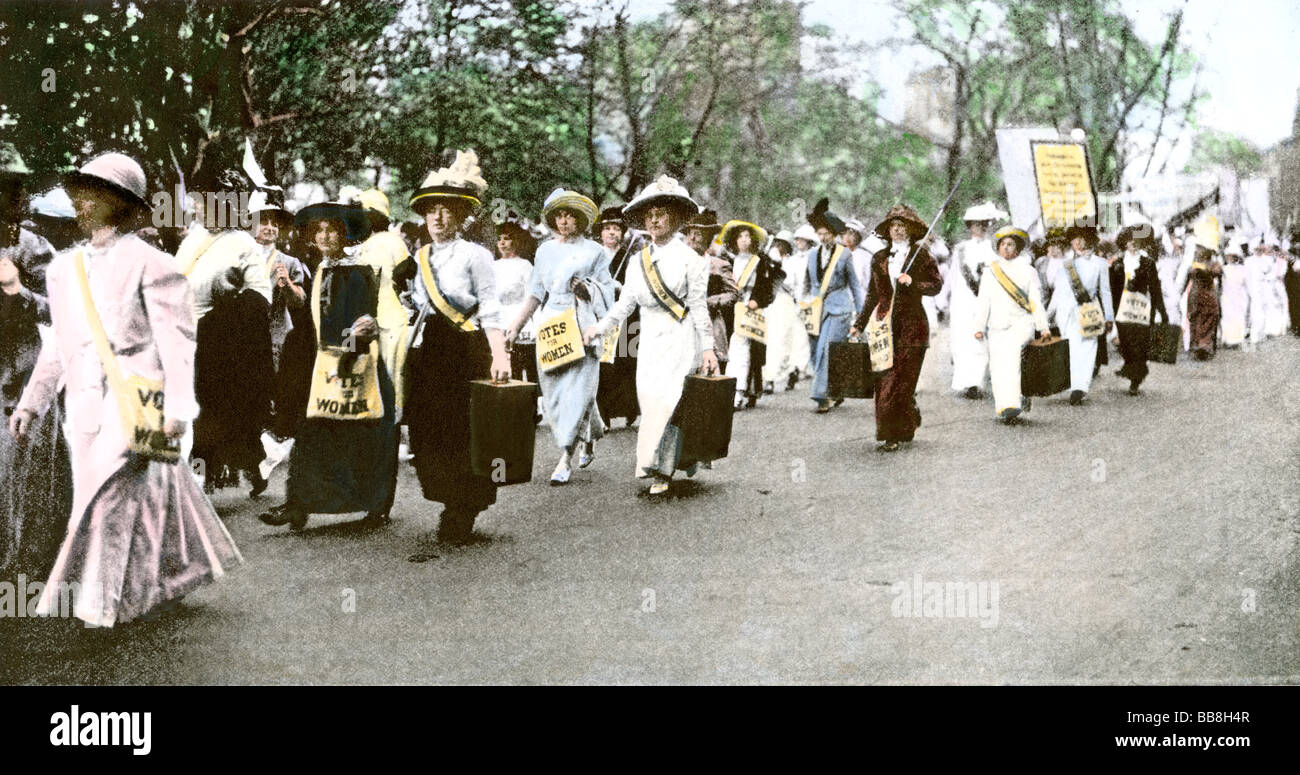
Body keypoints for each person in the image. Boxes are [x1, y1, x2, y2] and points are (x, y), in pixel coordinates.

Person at [11, 152, 241, 627]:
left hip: (141, 399)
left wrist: (179, 407)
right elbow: (60, 345)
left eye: (93, 195)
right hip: (84, 408)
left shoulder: (153, 264)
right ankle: (164, 579)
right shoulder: (62, 269)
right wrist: (32, 404)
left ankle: (99, 605)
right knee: (140, 496)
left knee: (109, 496)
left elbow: (177, 343)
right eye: (80, 194)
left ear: (119, 203)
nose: (82, 204)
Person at [257, 195, 400, 532]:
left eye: (332, 231)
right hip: (327, 365)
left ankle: (376, 505)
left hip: (358, 364)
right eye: (319, 231)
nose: (324, 237)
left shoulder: (358, 270)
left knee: (366, 438)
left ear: (345, 235)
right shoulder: (322, 268)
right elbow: (316, 315)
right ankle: (298, 504)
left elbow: (366, 319)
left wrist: (349, 353)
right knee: (313, 434)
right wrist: (293, 293)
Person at [581, 175, 720, 496]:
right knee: (651, 401)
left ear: (675, 217)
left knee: (670, 402)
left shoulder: (692, 259)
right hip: (651, 341)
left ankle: (662, 469)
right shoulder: (636, 261)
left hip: (682, 337)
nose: (654, 220)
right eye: (649, 215)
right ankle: (656, 461)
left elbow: (699, 308)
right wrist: (599, 328)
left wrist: (709, 349)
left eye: (661, 214)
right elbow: (625, 304)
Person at [402, 150, 511, 548]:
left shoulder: (477, 255)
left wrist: (500, 354)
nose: (438, 218)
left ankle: (463, 506)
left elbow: (492, 307)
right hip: (431, 349)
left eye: (446, 211)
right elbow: (415, 307)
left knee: (465, 430)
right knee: (430, 430)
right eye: (432, 211)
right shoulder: (419, 257)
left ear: (461, 215)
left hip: (467, 347)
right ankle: (447, 495)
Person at [504, 189, 614, 485]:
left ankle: (565, 456)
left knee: (579, 391)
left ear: (580, 220)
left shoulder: (595, 251)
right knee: (554, 394)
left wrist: (588, 289)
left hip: (583, 322)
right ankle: (589, 435)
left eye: (570, 216)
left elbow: (609, 290)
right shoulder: (544, 251)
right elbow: (536, 292)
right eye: (560, 216)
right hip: (552, 325)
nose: (565, 221)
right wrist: (515, 325)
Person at [177, 168, 275, 496]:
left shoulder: (243, 243)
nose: (198, 209)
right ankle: (207, 474)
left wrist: (230, 295)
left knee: (223, 412)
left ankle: (244, 468)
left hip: (224, 344)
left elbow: (262, 296)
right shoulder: (191, 240)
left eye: (205, 203)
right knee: (198, 409)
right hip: (189, 336)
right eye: (197, 204)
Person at [1, 145, 72, 583]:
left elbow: (63, 309)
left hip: (25, 376)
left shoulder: (31, 245)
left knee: (28, 468)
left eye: (14, 187)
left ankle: (32, 561)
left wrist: (18, 294)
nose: (15, 195)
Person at [850, 205, 942, 450]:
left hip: (912, 326)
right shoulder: (879, 258)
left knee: (904, 378)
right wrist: (859, 325)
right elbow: (872, 295)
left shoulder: (921, 256)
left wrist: (913, 283)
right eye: (894, 226)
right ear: (888, 230)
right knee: (887, 380)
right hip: (883, 325)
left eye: (902, 227)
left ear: (910, 230)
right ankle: (890, 433)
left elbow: (935, 286)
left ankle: (904, 422)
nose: (898, 231)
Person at [971, 226, 1051, 424]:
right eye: (1003, 244)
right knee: (998, 366)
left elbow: (1035, 301)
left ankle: (1014, 402)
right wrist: (979, 327)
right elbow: (984, 301)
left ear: (1018, 248)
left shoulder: (1028, 270)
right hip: (997, 325)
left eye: (1011, 244)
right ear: (998, 248)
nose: (1006, 248)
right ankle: (1005, 405)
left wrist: (1043, 326)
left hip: (1022, 323)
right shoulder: (991, 272)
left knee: (1014, 361)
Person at [805, 198, 862, 413]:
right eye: (819, 233)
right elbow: (807, 283)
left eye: (826, 233)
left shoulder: (844, 254)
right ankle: (835, 390)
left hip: (839, 309)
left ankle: (821, 395)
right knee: (815, 350)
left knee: (827, 349)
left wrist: (861, 314)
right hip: (816, 310)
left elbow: (855, 285)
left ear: (833, 233)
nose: (822, 237)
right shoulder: (812, 255)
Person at [1046, 225, 1113, 404]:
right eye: (1075, 239)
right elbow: (1058, 292)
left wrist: (1108, 317)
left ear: (1090, 240)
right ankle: (1074, 384)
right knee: (1072, 348)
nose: (1079, 243)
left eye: (1083, 238)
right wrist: (1047, 316)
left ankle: (1080, 387)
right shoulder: (1065, 264)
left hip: (1088, 309)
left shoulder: (1100, 263)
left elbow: (1105, 291)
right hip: (1066, 312)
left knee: (1088, 348)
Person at [944, 203, 1003, 398]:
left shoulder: (993, 249)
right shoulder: (960, 249)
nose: (980, 227)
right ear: (969, 226)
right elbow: (952, 276)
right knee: (962, 340)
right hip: (962, 300)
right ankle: (965, 380)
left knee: (980, 340)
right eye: (976, 224)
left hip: (984, 298)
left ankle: (976, 382)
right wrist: (944, 298)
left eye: (984, 224)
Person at [721, 219, 780, 408]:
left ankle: (738, 391)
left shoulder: (759, 261)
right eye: (740, 236)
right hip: (730, 309)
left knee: (742, 349)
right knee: (730, 348)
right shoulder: (728, 260)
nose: (744, 240)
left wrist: (757, 300)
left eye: (747, 236)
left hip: (749, 309)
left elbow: (766, 287)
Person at [593, 206, 641, 429]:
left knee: (626, 361)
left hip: (626, 317)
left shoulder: (630, 257)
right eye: (608, 229)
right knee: (603, 364)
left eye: (616, 229)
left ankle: (629, 409)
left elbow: (636, 287)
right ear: (601, 232)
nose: (612, 233)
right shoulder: (593, 255)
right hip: (600, 314)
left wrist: (623, 287)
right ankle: (604, 412)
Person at [1109, 223, 1169, 395]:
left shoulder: (1148, 263)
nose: (1133, 243)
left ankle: (1136, 378)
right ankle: (1130, 366)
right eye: (1130, 240)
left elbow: (1155, 288)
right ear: (1125, 243)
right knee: (1126, 343)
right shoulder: (1118, 264)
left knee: (1140, 343)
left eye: (1136, 240)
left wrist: (1162, 312)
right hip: (1122, 309)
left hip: (1142, 308)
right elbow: (1113, 289)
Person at [685, 209, 737, 373]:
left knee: (710, 371)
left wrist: (711, 302)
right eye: (689, 233)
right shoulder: (678, 262)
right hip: (682, 322)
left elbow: (733, 293)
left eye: (698, 234)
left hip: (710, 322)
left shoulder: (718, 265)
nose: (692, 238)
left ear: (709, 237)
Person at [762, 230, 811, 391]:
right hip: (772, 303)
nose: (778, 246)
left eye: (782, 243)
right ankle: (770, 378)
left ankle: (792, 371)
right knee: (774, 341)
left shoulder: (794, 263)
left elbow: (798, 285)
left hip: (788, 302)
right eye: (776, 243)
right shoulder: (768, 261)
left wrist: (799, 303)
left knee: (792, 340)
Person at [494, 220, 539, 385]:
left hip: (520, 320)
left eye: (506, 238)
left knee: (522, 368)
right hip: (499, 320)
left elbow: (532, 297)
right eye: (499, 239)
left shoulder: (525, 265)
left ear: (516, 241)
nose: (502, 243)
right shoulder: (493, 266)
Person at [1184, 242, 1222, 360]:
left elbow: (1217, 273)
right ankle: (1198, 347)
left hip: (1204, 297)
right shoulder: (1195, 266)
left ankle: (1203, 347)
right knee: (1197, 321)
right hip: (1199, 296)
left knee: (1206, 321)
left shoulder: (1208, 266)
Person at [1220, 243, 1249, 348]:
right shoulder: (1224, 269)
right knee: (1227, 317)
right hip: (1227, 296)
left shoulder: (1243, 269)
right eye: (1228, 256)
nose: (1230, 258)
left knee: (1238, 317)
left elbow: (1246, 284)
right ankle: (1227, 340)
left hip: (1239, 296)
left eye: (1232, 256)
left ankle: (1237, 340)